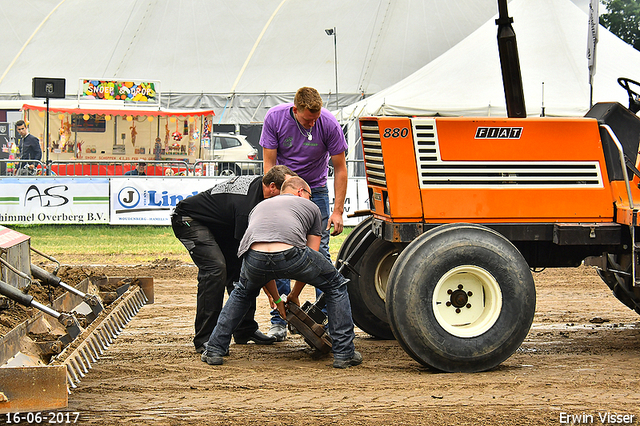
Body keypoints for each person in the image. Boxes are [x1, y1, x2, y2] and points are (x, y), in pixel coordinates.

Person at [201, 176, 361, 368]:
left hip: (254, 257)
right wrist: (294, 294)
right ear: (301, 192)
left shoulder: (259, 206)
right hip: (290, 253)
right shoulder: (311, 207)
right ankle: (344, 353)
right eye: (309, 195)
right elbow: (313, 253)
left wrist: (278, 300)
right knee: (336, 285)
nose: (309, 199)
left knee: (242, 292)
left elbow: (265, 266)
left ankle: (215, 349)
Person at [171, 165, 295, 353]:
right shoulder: (247, 208)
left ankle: (245, 330)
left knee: (239, 273)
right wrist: (275, 298)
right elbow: (255, 258)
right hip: (189, 220)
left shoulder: (259, 191)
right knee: (216, 270)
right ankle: (205, 338)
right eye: (284, 192)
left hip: (221, 226)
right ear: (271, 187)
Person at [260, 87, 348, 341]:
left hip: (316, 190)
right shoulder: (275, 118)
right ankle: (279, 318)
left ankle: (328, 318)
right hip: (285, 189)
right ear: (295, 109)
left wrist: (338, 211)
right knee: (280, 250)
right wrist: (275, 199)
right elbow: (270, 166)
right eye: (308, 119)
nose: (313, 122)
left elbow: (340, 168)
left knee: (319, 253)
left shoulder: (329, 124)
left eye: (316, 118)